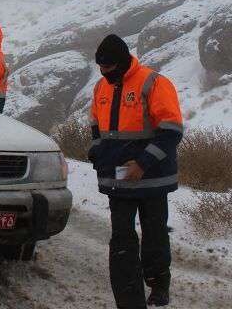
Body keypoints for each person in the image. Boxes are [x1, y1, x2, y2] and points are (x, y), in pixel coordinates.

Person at [88, 34, 183, 308]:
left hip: (151, 176)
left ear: (122, 62)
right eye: (101, 69)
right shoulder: (100, 88)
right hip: (117, 178)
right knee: (121, 238)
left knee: (154, 233)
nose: (104, 74)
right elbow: (96, 126)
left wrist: (142, 163)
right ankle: (130, 301)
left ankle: (158, 284)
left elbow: (172, 130)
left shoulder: (154, 82)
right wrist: (97, 151)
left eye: (108, 69)